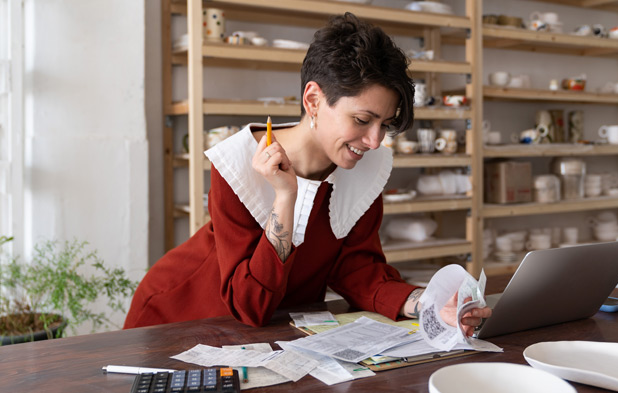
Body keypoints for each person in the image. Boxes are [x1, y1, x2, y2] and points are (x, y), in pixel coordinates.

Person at [124, 13, 490, 335]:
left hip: (277, 328)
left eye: (385, 124)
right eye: (362, 120)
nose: (375, 140)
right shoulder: (237, 162)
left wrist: (429, 305)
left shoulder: (363, 166)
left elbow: (357, 270)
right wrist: (285, 198)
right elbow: (250, 305)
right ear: (313, 100)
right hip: (182, 317)